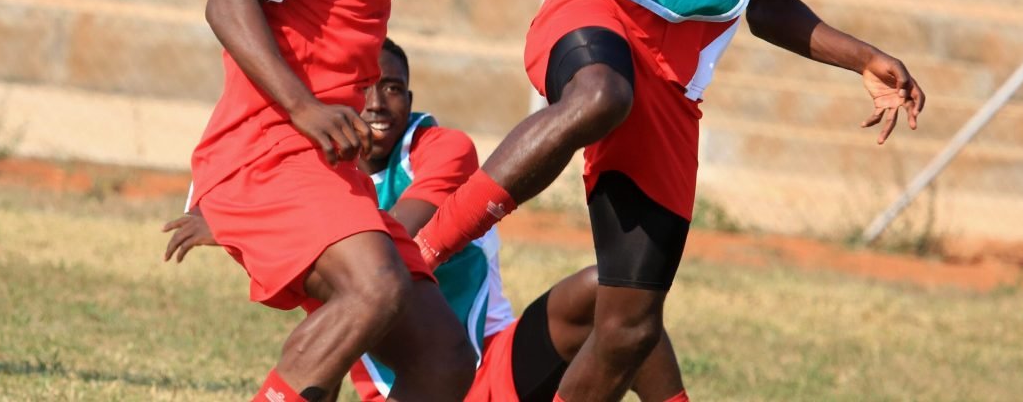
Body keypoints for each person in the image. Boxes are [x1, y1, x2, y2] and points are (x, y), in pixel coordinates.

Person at [412, 0, 928, 401]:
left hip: (675, 85)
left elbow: (770, 6)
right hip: (594, 10)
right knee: (601, 93)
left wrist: (862, 57)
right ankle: (421, 252)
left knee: (629, 328)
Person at [166, 40, 680, 402]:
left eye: (392, 88)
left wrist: (250, 221)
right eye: (365, 86)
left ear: (410, 100)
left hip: (489, 366)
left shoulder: (439, 149)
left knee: (616, 295)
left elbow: (391, 239)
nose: (376, 103)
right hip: (405, 388)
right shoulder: (317, 170)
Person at [185, 0, 478, 399]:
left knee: (441, 358)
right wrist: (303, 107)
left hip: (324, 165)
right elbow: (228, 0)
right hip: (271, 154)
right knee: (373, 289)